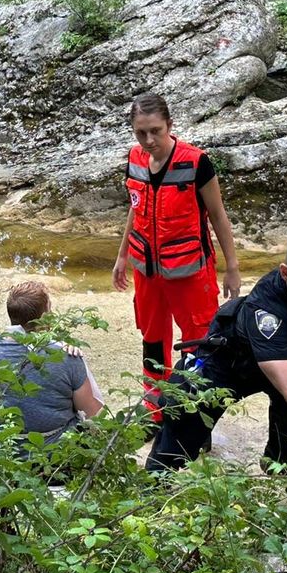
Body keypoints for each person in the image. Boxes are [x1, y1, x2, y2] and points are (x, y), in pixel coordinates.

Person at [146, 226, 287, 483]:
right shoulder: (265, 305)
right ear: (286, 273)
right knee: (186, 412)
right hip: (233, 362)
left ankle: (281, 468)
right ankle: (155, 481)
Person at [111, 93, 241, 420]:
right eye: (141, 132)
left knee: (200, 343)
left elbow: (218, 216)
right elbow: (136, 208)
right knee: (152, 339)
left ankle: (195, 416)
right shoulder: (135, 159)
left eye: (155, 130)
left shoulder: (197, 163)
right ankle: (156, 412)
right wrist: (122, 256)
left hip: (190, 271)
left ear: (170, 125)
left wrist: (232, 268)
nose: (149, 139)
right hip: (147, 270)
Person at [0, 281, 104, 441]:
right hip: (52, 447)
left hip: (1, 442)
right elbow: (93, 412)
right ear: (44, 317)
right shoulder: (66, 356)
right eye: (50, 308)